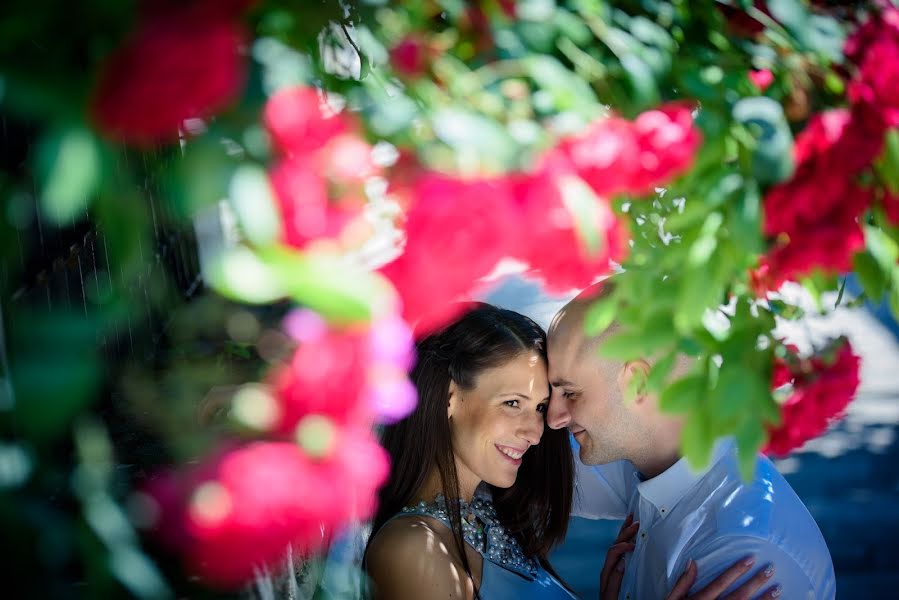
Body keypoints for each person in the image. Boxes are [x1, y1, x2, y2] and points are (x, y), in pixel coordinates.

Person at [364, 303, 776, 600]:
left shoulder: (488, 512)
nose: (536, 431)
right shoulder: (412, 549)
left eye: (540, 408)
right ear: (448, 398)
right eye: (512, 404)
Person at [546, 282, 836, 600]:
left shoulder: (737, 551)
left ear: (638, 383)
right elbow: (529, 477)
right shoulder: (651, 455)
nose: (553, 417)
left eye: (570, 393)